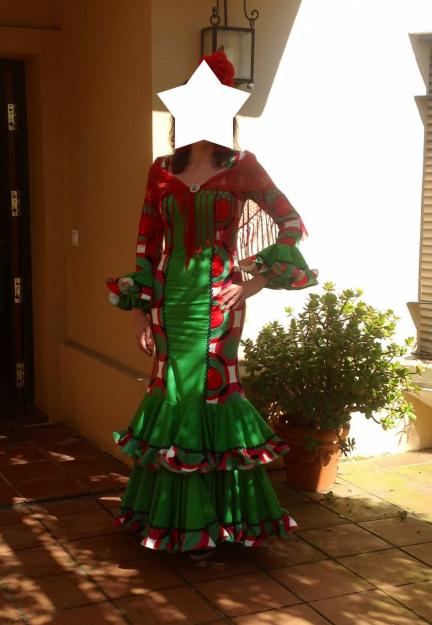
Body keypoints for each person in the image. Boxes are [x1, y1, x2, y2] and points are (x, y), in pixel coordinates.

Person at [106, 50, 318, 560]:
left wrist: (256, 281)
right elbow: (144, 246)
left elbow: (291, 224)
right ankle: (178, 520)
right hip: (169, 302)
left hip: (222, 302)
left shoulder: (242, 166)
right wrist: (140, 313)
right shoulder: (160, 171)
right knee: (172, 395)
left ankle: (219, 523)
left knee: (214, 397)